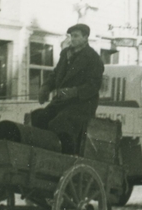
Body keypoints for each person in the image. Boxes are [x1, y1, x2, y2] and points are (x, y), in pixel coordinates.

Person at [30, 23, 104, 154]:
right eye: (71, 36)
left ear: (85, 37)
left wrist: (74, 92)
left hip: (82, 106)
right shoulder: (66, 54)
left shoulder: (93, 58)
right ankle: (43, 154)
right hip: (62, 103)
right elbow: (55, 74)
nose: (72, 39)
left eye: (76, 36)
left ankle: (66, 158)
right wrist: (45, 87)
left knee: (60, 123)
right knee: (39, 117)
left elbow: (94, 85)